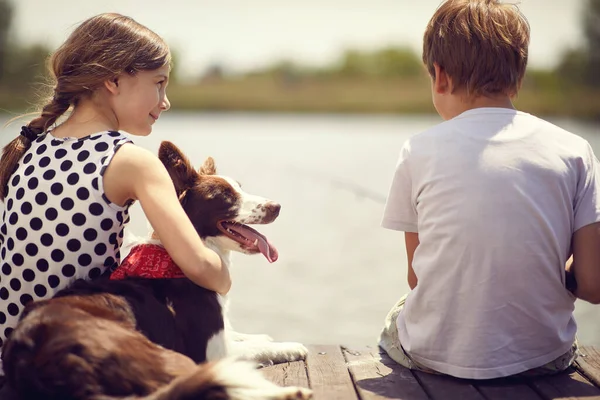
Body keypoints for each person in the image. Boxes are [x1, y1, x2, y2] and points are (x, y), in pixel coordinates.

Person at [378, 0, 600, 380]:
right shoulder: (575, 149)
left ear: (440, 76)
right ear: (518, 76)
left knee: (398, 311)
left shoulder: (418, 149)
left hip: (435, 357)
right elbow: (593, 285)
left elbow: (417, 279)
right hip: (544, 358)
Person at [0, 12, 231, 365]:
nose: (165, 101)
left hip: (12, 356)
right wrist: (224, 271)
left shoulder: (29, 146)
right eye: (159, 83)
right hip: (71, 356)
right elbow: (200, 268)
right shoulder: (128, 160)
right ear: (114, 80)